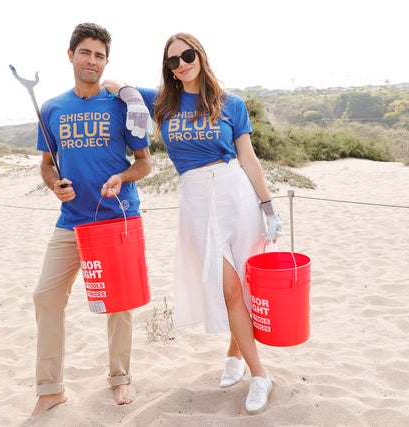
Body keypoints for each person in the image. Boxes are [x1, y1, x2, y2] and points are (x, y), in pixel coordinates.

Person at [103, 32, 283, 415]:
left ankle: (240, 361)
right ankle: (260, 374)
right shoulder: (162, 102)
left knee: (242, 286)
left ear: (199, 55)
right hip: (198, 201)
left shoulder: (229, 103)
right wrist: (132, 97)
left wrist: (267, 205)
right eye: (173, 61)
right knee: (228, 287)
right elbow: (111, 82)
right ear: (168, 68)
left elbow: (248, 159)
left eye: (187, 55)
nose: (182, 64)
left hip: (237, 195)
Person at [29, 22, 152, 417]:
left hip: (116, 219)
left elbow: (145, 163)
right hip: (71, 222)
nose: (92, 61)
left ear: (106, 62)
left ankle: (120, 379)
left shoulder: (120, 105)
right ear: (71, 55)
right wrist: (54, 185)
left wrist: (121, 177)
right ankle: (50, 389)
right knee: (45, 296)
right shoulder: (51, 108)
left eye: (99, 55)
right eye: (85, 52)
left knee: (119, 305)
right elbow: (47, 165)